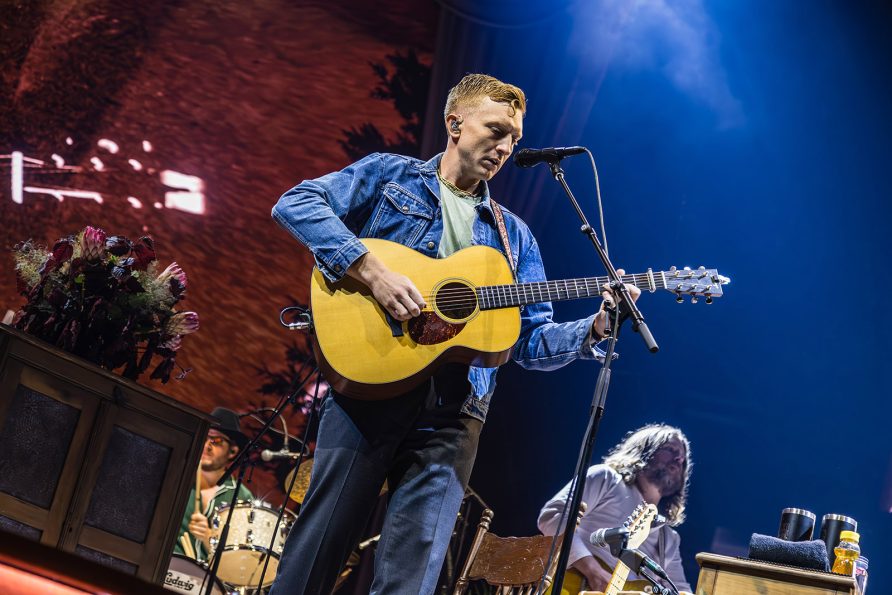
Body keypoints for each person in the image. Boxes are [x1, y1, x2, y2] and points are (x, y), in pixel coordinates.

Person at [268, 73, 640, 595]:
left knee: (412, 577)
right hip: (370, 387)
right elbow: (296, 204)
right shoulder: (390, 176)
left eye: (514, 137)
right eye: (495, 130)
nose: (507, 147)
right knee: (318, 549)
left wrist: (598, 326)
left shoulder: (515, 239)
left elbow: (529, 343)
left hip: (456, 414)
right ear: (454, 123)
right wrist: (372, 271)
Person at [538, 424, 694, 594]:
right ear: (645, 448)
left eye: (683, 459)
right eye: (671, 449)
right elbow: (553, 517)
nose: (679, 459)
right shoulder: (607, 478)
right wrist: (594, 572)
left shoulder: (669, 538)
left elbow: (680, 588)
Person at [173, 407, 253, 561]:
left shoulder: (241, 497)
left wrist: (209, 538)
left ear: (232, 452)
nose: (207, 445)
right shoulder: (177, 475)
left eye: (216, 441)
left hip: (204, 579)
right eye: (205, 438)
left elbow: (238, 560)